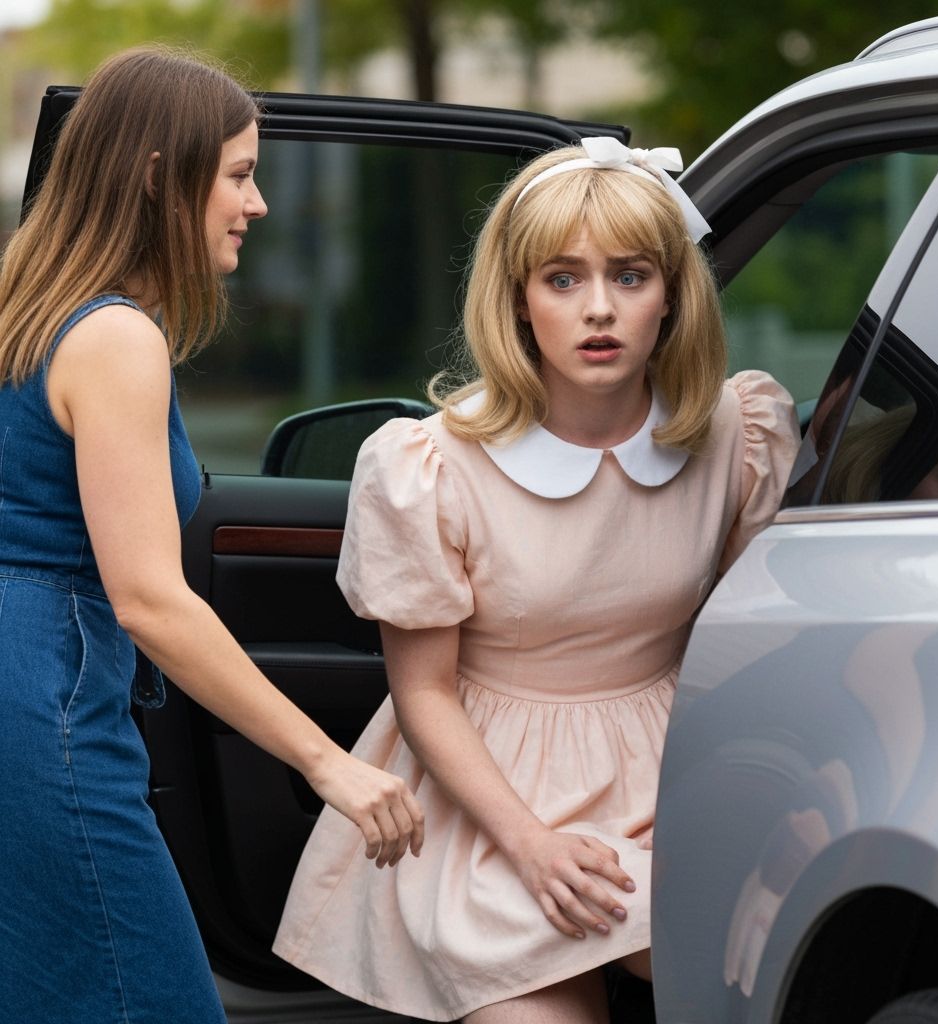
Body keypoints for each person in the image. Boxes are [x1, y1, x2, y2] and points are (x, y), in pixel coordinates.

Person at [273, 136, 799, 1022]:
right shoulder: (430, 465)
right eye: (562, 280)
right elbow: (425, 694)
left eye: (631, 276)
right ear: (518, 300)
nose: (600, 309)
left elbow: (749, 633)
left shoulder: (735, 431)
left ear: (672, 294)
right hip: (493, 802)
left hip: (677, 771)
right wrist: (535, 846)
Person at [0, 48, 423, 1024]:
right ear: (160, 176)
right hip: (47, 710)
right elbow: (149, 597)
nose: (258, 201)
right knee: (145, 995)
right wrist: (331, 763)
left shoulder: (36, 312)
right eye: (238, 172)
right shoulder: (116, 338)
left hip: (27, 694)